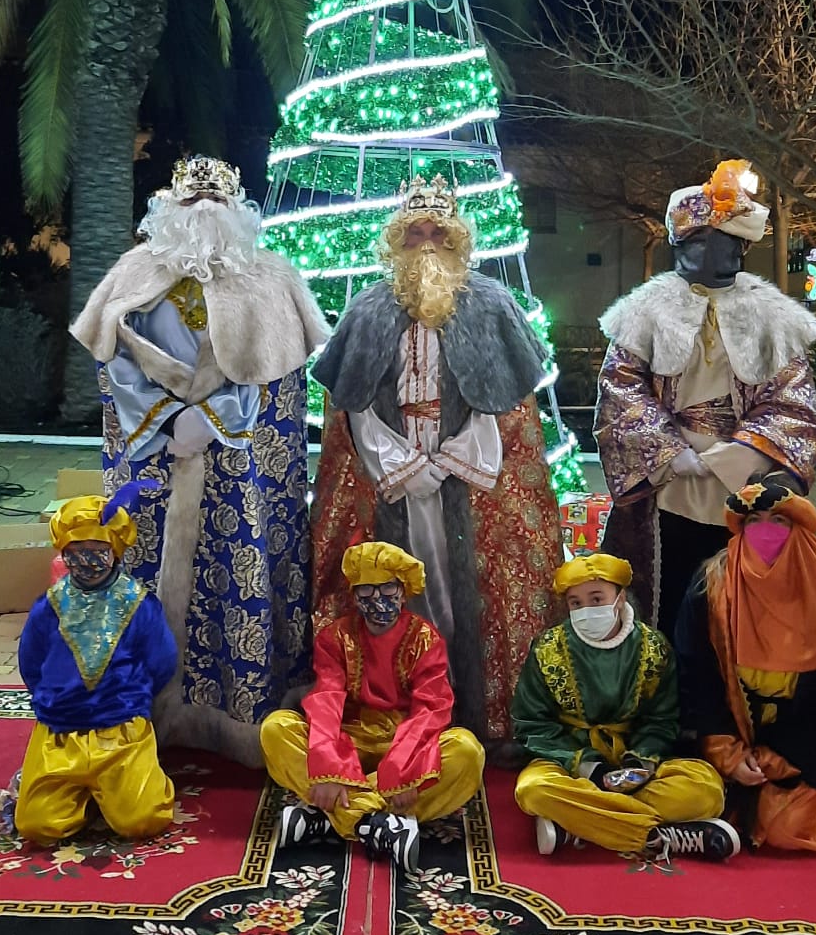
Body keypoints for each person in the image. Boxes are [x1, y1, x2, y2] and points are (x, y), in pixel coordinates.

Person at [70, 155, 328, 766]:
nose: (204, 210)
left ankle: (238, 716)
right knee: (140, 576)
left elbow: (280, 384)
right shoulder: (133, 272)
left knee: (240, 574)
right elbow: (112, 363)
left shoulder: (272, 278)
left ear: (240, 211)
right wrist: (164, 421)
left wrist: (212, 420)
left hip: (239, 468)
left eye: (216, 202)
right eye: (192, 201)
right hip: (154, 460)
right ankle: (137, 715)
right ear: (169, 209)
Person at [309, 174, 562, 748]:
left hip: (468, 481)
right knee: (399, 587)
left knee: (463, 593)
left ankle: (475, 712)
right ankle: (396, 710)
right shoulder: (368, 308)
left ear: (457, 240)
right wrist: (400, 466)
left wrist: (450, 461)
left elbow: (505, 406)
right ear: (397, 241)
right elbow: (352, 406)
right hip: (390, 480)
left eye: (438, 233)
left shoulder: (492, 304)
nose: (427, 244)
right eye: (415, 233)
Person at [594, 158, 816, 637]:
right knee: (665, 601)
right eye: (697, 240)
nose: (709, 249)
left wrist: (741, 456)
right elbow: (621, 387)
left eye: (721, 240)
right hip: (667, 482)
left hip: (746, 479)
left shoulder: (772, 317)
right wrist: (669, 451)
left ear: (741, 247)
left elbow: (793, 400)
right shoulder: (644, 310)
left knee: (737, 607)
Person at [675, 477, 816, 855]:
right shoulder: (711, 587)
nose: (765, 531)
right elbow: (694, 672)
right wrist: (727, 753)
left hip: (795, 748)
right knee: (695, 796)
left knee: (785, 828)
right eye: (754, 521)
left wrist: (779, 759)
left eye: (778, 520)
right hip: (728, 736)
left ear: (798, 529)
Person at [260, 540, 484, 872]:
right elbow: (325, 701)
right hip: (348, 742)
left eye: (387, 588)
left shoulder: (425, 639)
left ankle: (329, 818)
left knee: (467, 752)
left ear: (403, 591)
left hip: (405, 744)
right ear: (354, 596)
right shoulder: (335, 637)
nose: (377, 598)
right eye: (366, 590)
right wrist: (329, 768)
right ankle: (375, 823)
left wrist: (404, 770)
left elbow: (431, 709)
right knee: (276, 729)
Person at [513, 553, 739, 862]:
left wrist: (640, 763)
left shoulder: (654, 647)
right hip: (570, 765)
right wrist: (590, 768)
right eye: (576, 603)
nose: (586, 610)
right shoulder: (547, 649)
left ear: (619, 598)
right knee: (534, 789)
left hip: (635, 764)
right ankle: (660, 836)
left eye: (596, 599)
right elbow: (532, 724)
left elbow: (662, 719)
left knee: (706, 788)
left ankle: (579, 825)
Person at [15, 487, 177, 844]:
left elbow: (162, 662)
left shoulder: (140, 605)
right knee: (37, 826)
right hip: (60, 731)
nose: (86, 562)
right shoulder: (48, 607)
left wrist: (129, 699)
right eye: (75, 554)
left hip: (121, 729)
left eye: (96, 552)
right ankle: (85, 795)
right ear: (63, 554)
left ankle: (125, 784)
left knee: (143, 820)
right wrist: (57, 699)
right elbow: (31, 663)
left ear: (115, 551)